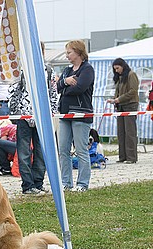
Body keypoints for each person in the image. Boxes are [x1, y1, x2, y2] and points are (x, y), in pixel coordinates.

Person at [9, 42, 59, 194]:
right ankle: (27, 185)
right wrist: (15, 113)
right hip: (25, 116)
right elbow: (14, 90)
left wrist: (53, 111)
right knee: (24, 152)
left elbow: (52, 92)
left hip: (42, 117)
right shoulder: (21, 70)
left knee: (41, 151)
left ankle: (38, 182)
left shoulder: (48, 70)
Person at [57, 40, 95, 192]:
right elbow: (58, 86)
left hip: (81, 113)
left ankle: (82, 183)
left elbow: (80, 88)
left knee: (81, 150)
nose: (67, 55)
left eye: (69, 52)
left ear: (78, 52)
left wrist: (64, 87)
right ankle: (66, 182)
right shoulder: (66, 71)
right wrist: (65, 82)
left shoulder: (87, 69)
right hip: (65, 113)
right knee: (63, 150)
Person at [107, 58, 139, 164]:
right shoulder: (120, 78)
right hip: (121, 107)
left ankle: (131, 157)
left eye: (117, 68)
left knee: (130, 132)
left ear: (123, 66)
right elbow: (119, 91)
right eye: (114, 69)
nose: (116, 70)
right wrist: (114, 100)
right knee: (121, 132)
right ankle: (122, 156)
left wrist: (118, 99)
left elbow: (133, 91)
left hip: (130, 106)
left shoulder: (131, 75)